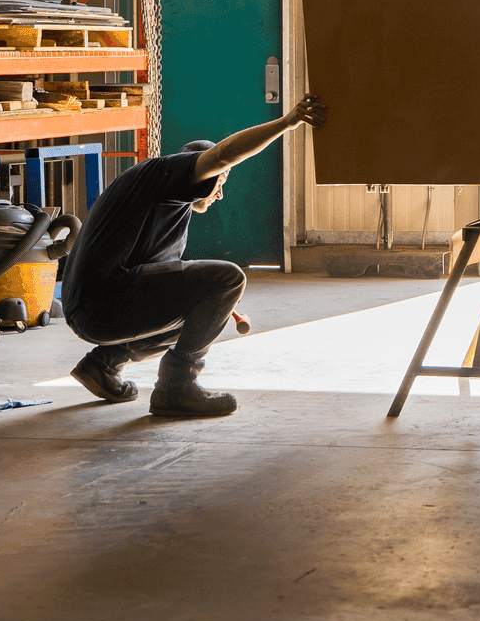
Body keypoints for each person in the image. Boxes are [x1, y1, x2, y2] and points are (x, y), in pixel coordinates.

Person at [64, 95, 326, 417]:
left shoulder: (166, 201)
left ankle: (102, 366)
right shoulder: (164, 174)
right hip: (99, 306)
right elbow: (223, 155)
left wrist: (209, 302)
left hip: (95, 308)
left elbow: (161, 281)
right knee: (229, 279)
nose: (220, 192)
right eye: (221, 179)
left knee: (201, 308)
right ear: (201, 169)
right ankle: (177, 387)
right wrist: (287, 122)